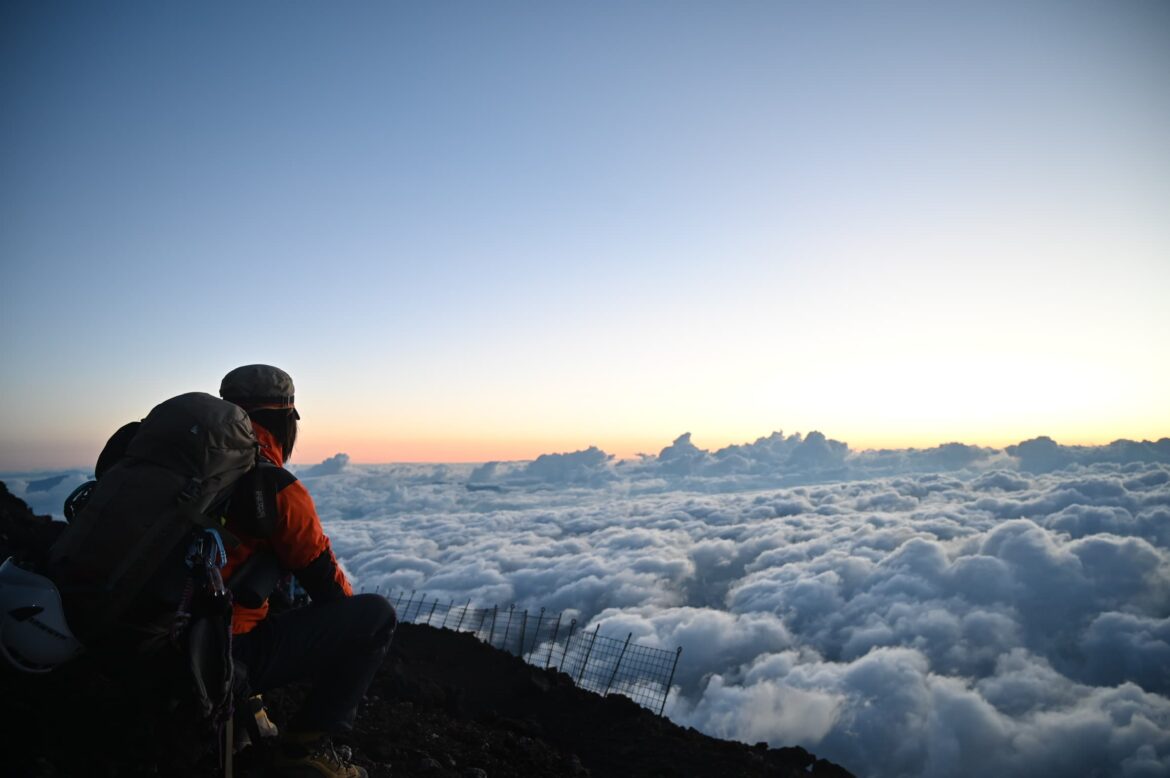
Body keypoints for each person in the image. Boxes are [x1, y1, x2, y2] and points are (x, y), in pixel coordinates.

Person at [218, 364, 396, 778]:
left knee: (267, 588)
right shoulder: (273, 487)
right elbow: (329, 590)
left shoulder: (175, 471)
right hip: (217, 649)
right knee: (374, 618)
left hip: (130, 630)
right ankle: (304, 750)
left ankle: (245, 703)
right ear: (285, 420)